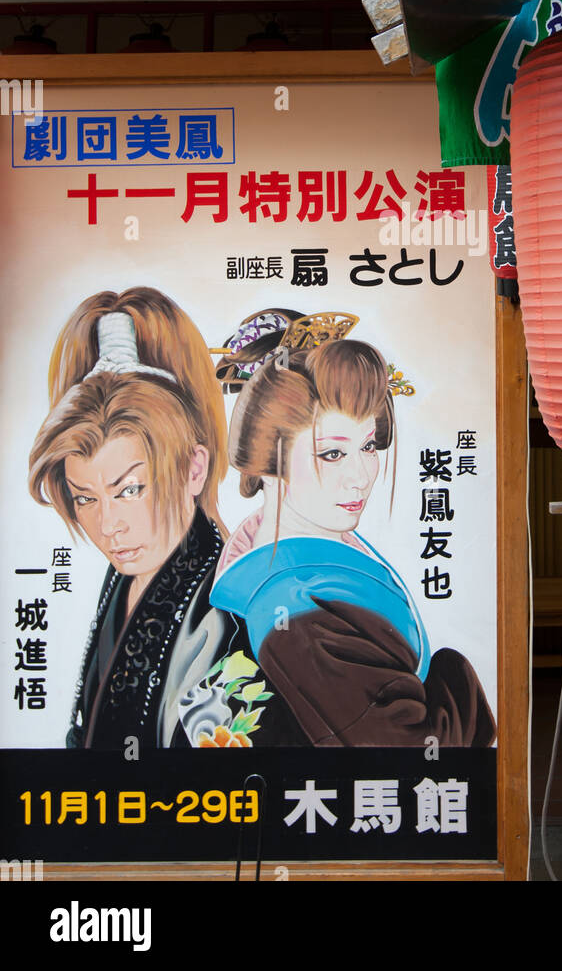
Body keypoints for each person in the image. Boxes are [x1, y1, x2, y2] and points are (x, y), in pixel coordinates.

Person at [210, 309, 496, 747]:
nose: (361, 476)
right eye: (331, 455)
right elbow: (411, 750)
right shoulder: (295, 616)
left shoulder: (302, 552)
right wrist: (453, 674)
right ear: (268, 464)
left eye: (367, 446)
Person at [28, 287, 284, 749]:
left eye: (130, 490)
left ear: (193, 468)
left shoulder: (229, 611)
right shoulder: (126, 577)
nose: (109, 526)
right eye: (85, 499)